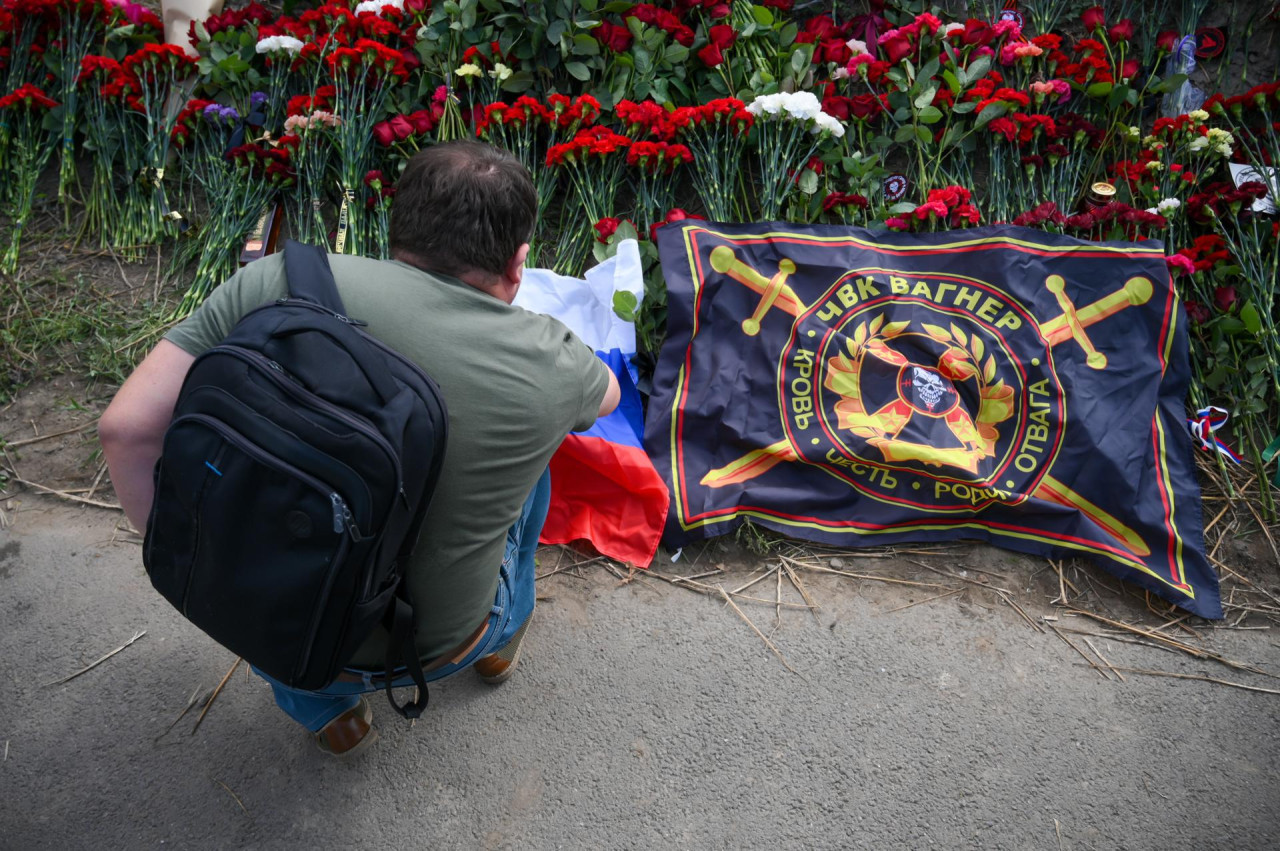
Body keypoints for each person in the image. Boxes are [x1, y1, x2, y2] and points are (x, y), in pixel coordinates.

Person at [99, 140, 621, 757]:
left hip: (263, 611)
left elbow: (125, 430)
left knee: (275, 583)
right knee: (533, 470)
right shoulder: (552, 362)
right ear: (518, 263)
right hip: (437, 645)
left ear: (394, 230)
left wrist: (197, 554)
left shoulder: (279, 279)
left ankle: (330, 713)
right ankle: (497, 646)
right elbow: (608, 398)